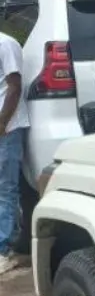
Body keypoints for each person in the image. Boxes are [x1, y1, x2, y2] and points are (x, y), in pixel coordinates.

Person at [0, 26, 29, 276]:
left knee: (5, 188)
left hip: (8, 128)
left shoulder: (6, 43)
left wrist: (2, 124)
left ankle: (4, 251)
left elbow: (15, 86)